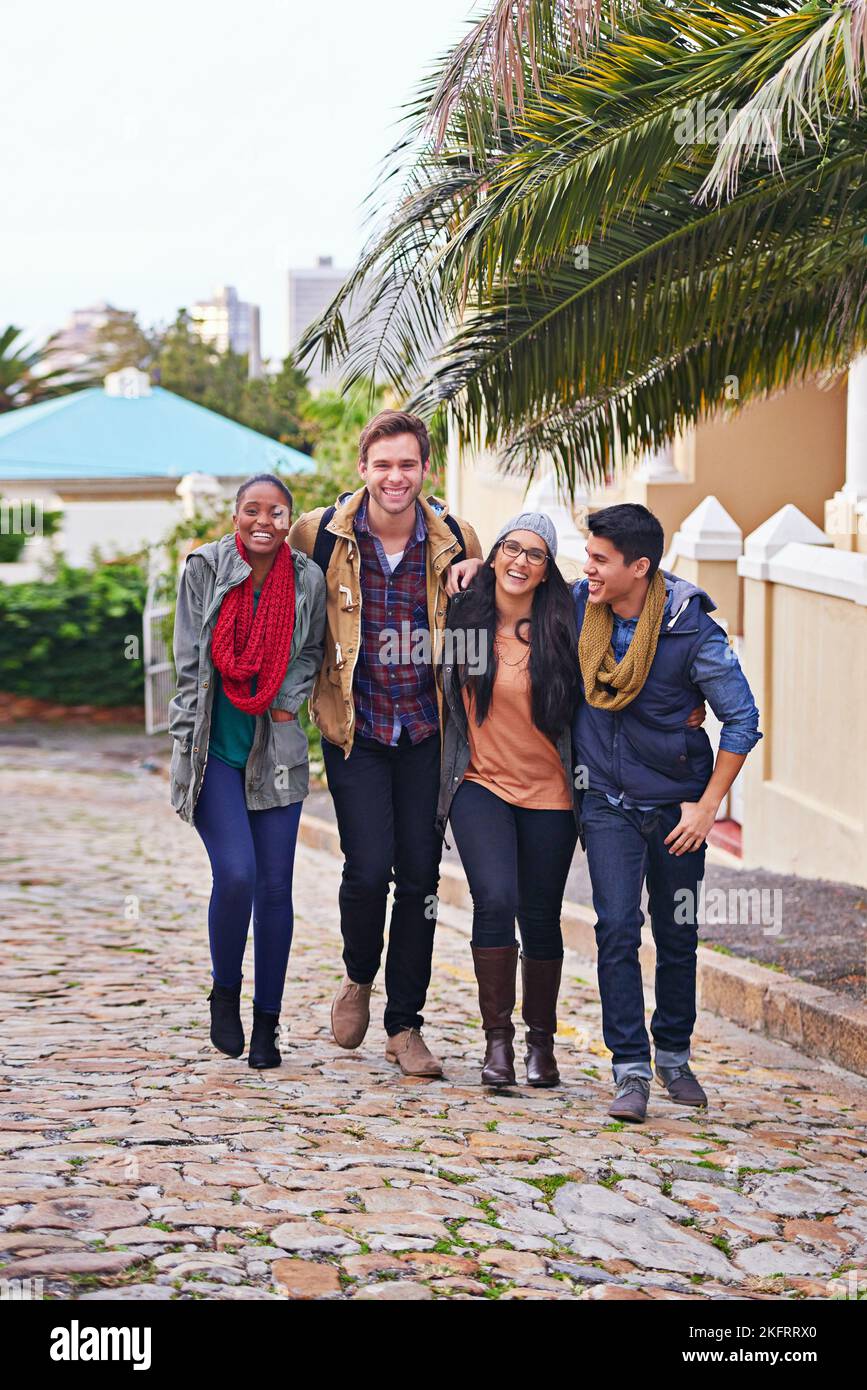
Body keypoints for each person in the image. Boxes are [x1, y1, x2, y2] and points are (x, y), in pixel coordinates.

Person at [447, 501, 760, 1122]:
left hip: (676, 805)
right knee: (615, 929)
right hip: (606, 802)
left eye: (598, 559)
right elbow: (520, 569)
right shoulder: (576, 609)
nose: (582, 568)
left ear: (638, 567)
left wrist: (706, 807)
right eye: (584, 556)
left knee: (676, 934)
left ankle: (672, 1053)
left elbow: (742, 719)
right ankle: (630, 1069)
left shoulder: (689, 628)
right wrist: (481, 561)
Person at [289, 410, 481, 1077]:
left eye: (407, 464)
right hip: (357, 731)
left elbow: (490, 616)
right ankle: (356, 976)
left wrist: (478, 569)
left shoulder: (455, 537)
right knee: (368, 869)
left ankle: (405, 1026)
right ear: (362, 469)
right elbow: (280, 604)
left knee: (421, 878)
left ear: (424, 469)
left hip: (428, 732)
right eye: (383, 465)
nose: (395, 477)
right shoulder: (317, 534)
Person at [168, 474, 326, 1069]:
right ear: (236, 515)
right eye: (253, 510)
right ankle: (225, 994)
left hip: (276, 755)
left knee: (275, 889)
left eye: (277, 512)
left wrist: (289, 693)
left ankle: (268, 1025)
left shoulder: (306, 577)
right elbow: (189, 665)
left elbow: (310, 648)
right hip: (215, 753)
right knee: (235, 875)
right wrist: (184, 753)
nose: (264, 521)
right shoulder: (204, 569)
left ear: (289, 520)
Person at [436, 513, 582, 1088]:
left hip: (551, 793)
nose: (521, 562)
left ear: (549, 571)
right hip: (479, 783)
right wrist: (465, 564)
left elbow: (638, 587)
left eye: (536, 554)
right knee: (495, 898)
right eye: (511, 548)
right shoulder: (464, 615)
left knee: (541, 915)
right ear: (495, 553)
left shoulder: (568, 622)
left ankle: (540, 1046)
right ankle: (497, 1044)